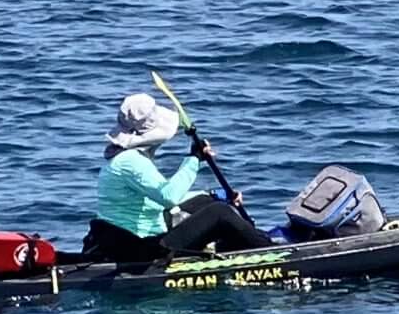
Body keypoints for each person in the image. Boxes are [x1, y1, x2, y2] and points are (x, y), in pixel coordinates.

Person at [80, 91, 270, 264]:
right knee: (220, 213)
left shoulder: (124, 157)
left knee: (208, 202)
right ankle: (272, 252)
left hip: (131, 238)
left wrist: (214, 194)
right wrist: (194, 159)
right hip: (140, 249)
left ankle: (249, 242)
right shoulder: (131, 162)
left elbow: (162, 199)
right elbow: (169, 197)